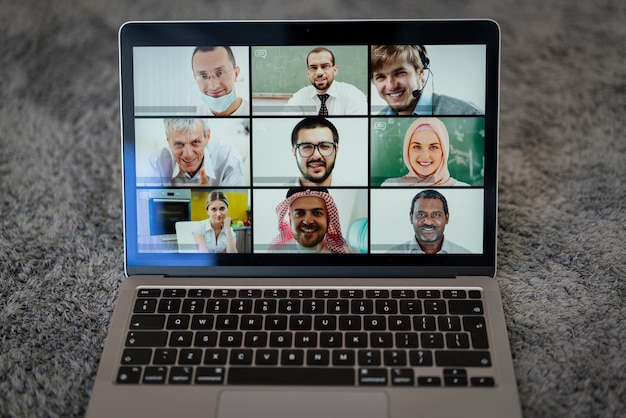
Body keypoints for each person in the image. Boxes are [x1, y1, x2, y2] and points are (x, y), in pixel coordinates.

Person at [371, 45, 482, 116]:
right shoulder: (378, 120)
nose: (391, 86)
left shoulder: (466, 113)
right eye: (380, 77)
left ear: (420, 73)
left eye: (400, 73)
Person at [148, 118, 245, 187]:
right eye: (179, 144)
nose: (188, 155)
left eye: (195, 142)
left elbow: (236, 213)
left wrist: (211, 199)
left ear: (207, 137)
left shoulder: (230, 160)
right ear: (168, 140)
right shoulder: (157, 162)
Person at [381, 117, 469, 186]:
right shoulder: (391, 185)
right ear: (407, 150)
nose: (425, 156)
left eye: (433, 147)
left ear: (444, 151)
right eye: (417, 147)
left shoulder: (464, 189)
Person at [285, 47, 367, 115]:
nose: (319, 73)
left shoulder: (352, 94)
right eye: (313, 68)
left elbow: (357, 128)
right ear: (308, 73)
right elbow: (286, 123)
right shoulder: (300, 97)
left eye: (325, 66)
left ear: (334, 70)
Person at [270, 188, 352, 253]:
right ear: (290, 219)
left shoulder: (343, 253)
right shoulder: (275, 253)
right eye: (299, 213)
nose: (308, 221)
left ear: (328, 218)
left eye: (317, 212)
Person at [388, 190, 471, 254]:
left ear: (446, 218)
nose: (428, 222)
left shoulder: (466, 255)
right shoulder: (391, 255)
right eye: (421, 214)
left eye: (436, 215)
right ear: (411, 217)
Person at [284, 117, 342, 187]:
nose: (316, 155)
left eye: (324, 146)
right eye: (307, 147)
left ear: (336, 150)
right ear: (294, 151)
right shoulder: (278, 196)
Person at [192, 46, 249, 116]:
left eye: (220, 73)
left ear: (236, 73)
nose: (213, 86)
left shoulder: (253, 112)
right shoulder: (191, 116)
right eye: (203, 76)